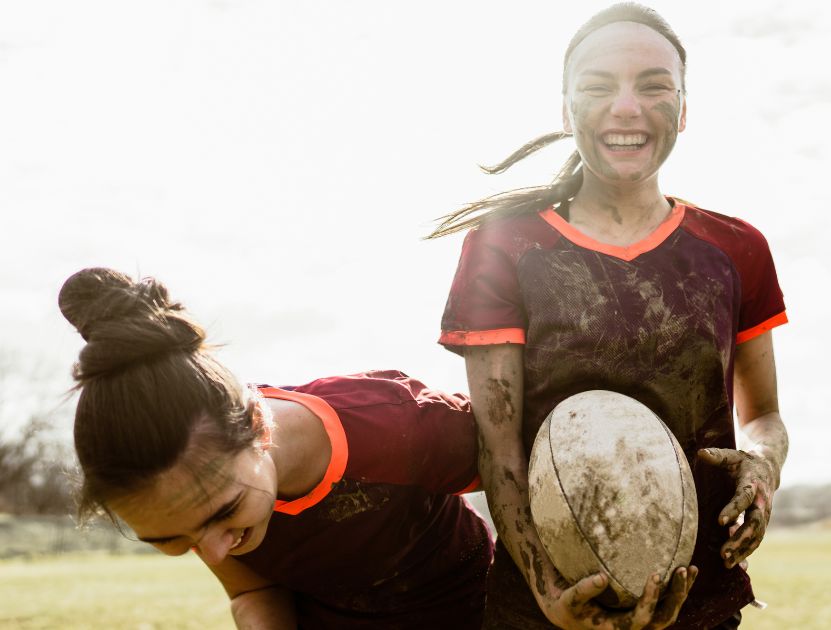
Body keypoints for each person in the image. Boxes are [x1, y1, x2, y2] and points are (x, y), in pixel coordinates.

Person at [430, 4, 790, 628]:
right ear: (566, 111)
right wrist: (548, 594)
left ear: (683, 108)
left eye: (654, 86)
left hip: (699, 604)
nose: (627, 107)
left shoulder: (736, 251)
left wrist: (763, 468)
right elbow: (499, 449)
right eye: (599, 87)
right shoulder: (505, 247)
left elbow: (763, 416)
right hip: (543, 612)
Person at [59, 267, 492, 629]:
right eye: (171, 541)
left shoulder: (397, 423)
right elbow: (253, 589)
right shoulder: (193, 502)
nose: (214, 551)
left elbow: (528, 475)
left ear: (257, 425)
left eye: (225, 513)